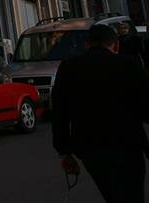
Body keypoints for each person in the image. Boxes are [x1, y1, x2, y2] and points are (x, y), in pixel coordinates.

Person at [51, 23, 149, 202]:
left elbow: (59, 112)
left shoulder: (69, 67)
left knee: (111, 194)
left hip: (90, 148)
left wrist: (64, 152)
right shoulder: (128, 64)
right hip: (127, 146)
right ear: (116, 45)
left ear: (87, 44)